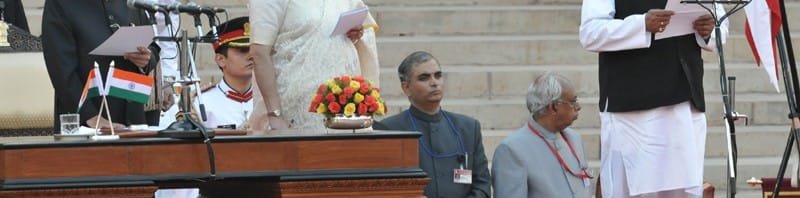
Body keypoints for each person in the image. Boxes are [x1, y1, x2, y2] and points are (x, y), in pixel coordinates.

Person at [579, 0, 728, 197]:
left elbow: (721, 27)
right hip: (631, 108)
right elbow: (590, 33)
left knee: (682, 189)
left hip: (683, 101)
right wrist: (641, 25)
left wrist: (709, 30)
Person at [248, 0, 380, 132]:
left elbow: (354, 30)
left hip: (345, 102)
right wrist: (274, 115)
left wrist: (356, 33)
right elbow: (259, 53)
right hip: (298, 108)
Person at [377, 51, 491, 197]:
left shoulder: (468, 127)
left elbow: (482, 184)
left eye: (438, 75)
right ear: (406, 88)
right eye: (424, 78)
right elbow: (383, 186)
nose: (434, 83)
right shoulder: (390, 130)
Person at [42, 0, 160, 130]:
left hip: (134, 117)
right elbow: (60, 68)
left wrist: (147, 59)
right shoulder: (60, 3)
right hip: (86, 123)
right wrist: (90, 116)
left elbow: (151, 47)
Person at [491, 73, 589, 198]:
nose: (578, 107)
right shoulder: (512, 150)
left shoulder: (575, 138)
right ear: (553, 107)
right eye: (573, 101)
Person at [195, 16, 254, 129]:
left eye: (253, 50)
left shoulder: (269, 100)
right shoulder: (201, 103)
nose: (251, 56)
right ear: (221, 60)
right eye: (242, 51)